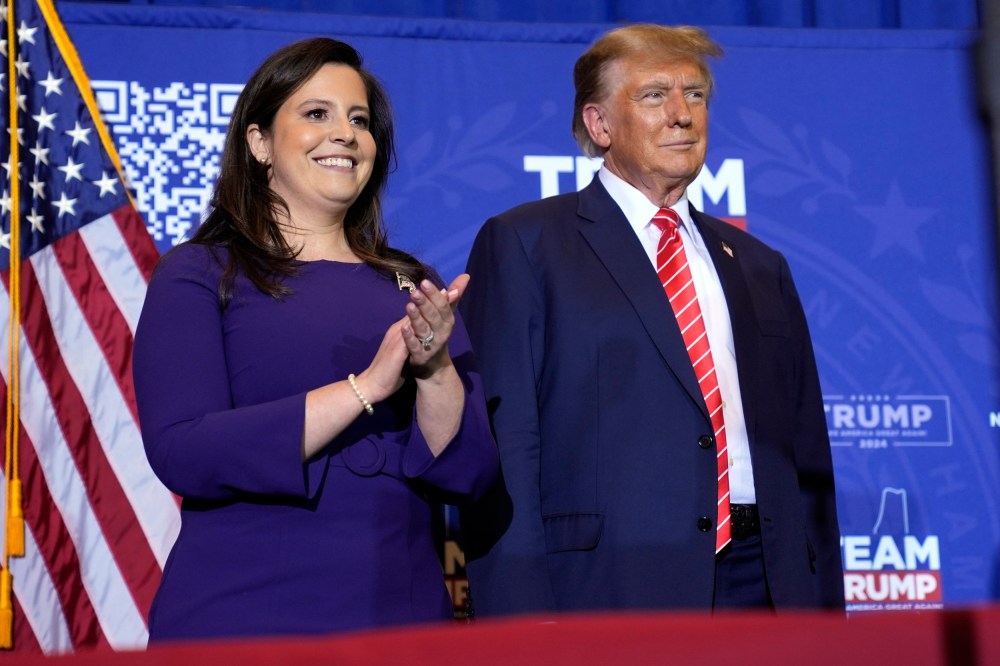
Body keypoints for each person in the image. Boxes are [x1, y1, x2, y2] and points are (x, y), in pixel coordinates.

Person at [460, 24, 844, 613]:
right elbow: (507, 443)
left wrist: (824, 613)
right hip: (610, 583)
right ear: (599, 125)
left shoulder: (761, 266)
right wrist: (517, 617)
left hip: (768, 584)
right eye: (654, 95)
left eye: (695, 95)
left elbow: (806, 455)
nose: (682, 114)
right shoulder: (526, 244)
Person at [132, 37, 499, 642]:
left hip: (401, 620)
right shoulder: (200, 272)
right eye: (316, 114)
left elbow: (471, 473)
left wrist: (435, 370)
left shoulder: (415, 282)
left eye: (359, 120)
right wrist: (368, 387)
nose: (345, 133)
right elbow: (183, 450)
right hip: (243, 618)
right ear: (258, 143)